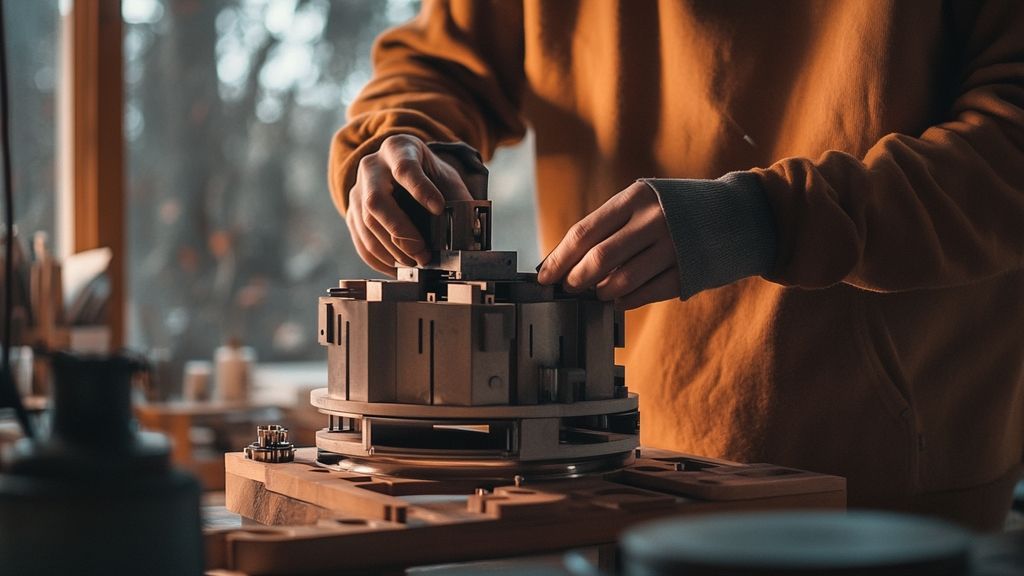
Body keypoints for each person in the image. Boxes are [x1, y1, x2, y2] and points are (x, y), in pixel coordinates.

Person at [328, 0, 1024, 530]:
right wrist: (398, 137)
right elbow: (439, 61)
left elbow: (1010, 146)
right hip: (620, 471)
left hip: (891, 485)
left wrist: (770, 218)